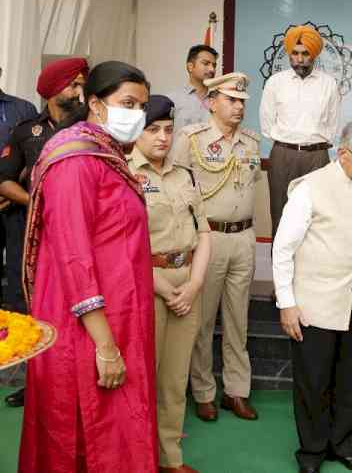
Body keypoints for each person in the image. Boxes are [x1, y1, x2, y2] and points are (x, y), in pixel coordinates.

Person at [19, 61, 158, 473]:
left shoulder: (106, 154)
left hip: (119, 319)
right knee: (89, 440)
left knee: (120, 432)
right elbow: (74, 259)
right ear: (95, 104)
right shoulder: (75, 161)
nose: (137, 115)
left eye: (142, 106)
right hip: (87, 331)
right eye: (127, 103)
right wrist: (106, 347)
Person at [273, 118, 352, 473]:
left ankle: (343, 446)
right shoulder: (310, 187)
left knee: (351, 380)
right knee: (313, 381)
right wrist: (286, 303)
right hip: (314, 303)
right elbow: (283, 248)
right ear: (342, 152)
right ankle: (312, 453)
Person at [127, 95, 211, 473]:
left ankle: (170, 459)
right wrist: (162, 287)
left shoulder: (185, 175)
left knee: (175, 380)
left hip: (186, 282)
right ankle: (138, 460)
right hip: (146, 282)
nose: (162, 137)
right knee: (144, 377)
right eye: (153, 129)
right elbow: (122, 245)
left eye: (168, 130)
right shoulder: (125, 173)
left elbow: (204, 233)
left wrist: (193, 285)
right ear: (137, 132)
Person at [172, 72, 262, 423]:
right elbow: (177, 190)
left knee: (239, 320)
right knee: (203, 319)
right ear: (212, 102)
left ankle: (236, 392)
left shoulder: (251, 143)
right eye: (231, 100)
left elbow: (252, 185)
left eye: (241, 101)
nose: (238, 107)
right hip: (209, 239)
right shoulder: (191, 139)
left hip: (244, 237)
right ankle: (204, 392)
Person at [0, 57, 88, 408]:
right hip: (29, 234)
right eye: (74, 85)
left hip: (77, 232)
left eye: (82, 85)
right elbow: (4, 181)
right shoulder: (26, 131)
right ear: (54, 91)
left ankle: (74, 381)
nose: (80, 92)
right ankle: (36, 384)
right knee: (31, 305)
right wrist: (37, 203)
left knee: (76, 302)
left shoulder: (89, 129)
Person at [260, 24, 341, 237]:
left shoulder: (328, 83)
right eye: (294, 53)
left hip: (317, 156)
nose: (299, 58)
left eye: (305, 53)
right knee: (281, 216)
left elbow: (332, 125)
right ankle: (280, 270)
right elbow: (267, 125)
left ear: (313, 54)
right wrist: (289, 142)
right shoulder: (275, 83)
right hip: (282, 156)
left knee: (316, 219)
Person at [0, 65, 37, 317]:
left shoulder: (23, 109)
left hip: (15, 203)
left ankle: (19, 332)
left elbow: (32, 153)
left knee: (18, 267)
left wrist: (7, 184)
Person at [169, 45, 218, 133]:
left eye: (214, 65)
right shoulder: (172, 100)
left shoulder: (219, 100)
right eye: (206, 63)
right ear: (190, 67)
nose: (212, 69)